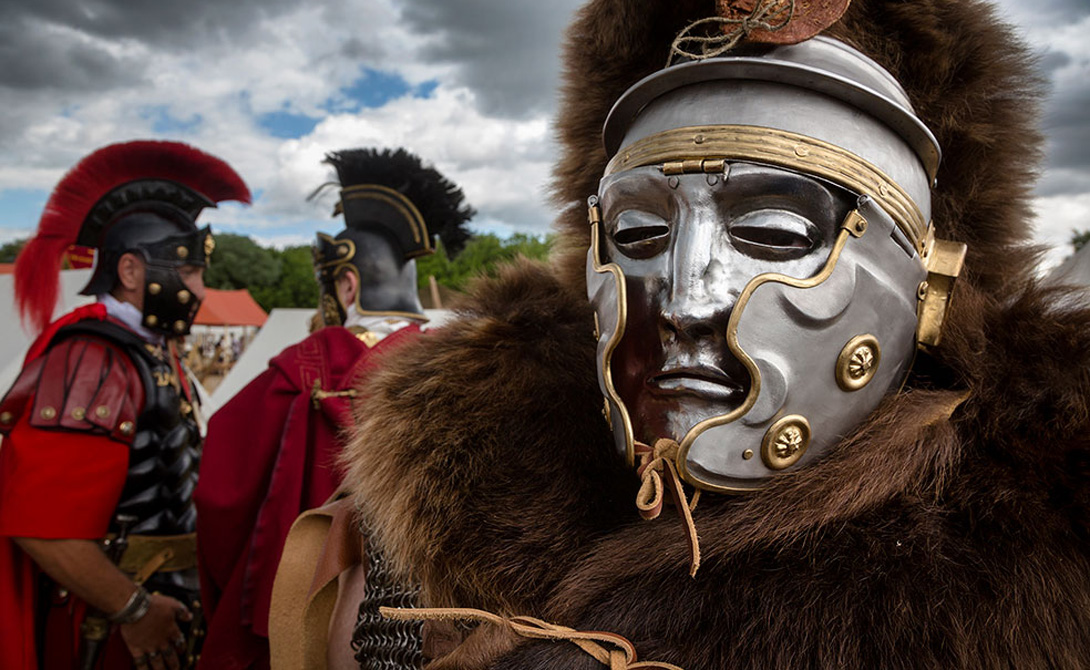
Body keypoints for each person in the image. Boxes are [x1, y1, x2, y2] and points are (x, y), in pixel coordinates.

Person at [271, 0, 1090, 669]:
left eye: (769, 229)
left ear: (927, 289)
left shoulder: (1037, 557)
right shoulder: (458, 491)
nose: (685, 301)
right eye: (637, 235)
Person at [194, 148, 473, 670]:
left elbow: (219, 500)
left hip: (297, 624)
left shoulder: (304, 367)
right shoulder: (471, 368)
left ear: (346, 283)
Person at [0, 140, 250, 670]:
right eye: (187, 272)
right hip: (109, 626)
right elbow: (40, 524)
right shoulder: (93, 357)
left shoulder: (147, 351)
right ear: (132, 272)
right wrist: (134, 610)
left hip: (164, 612)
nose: (201, 291)